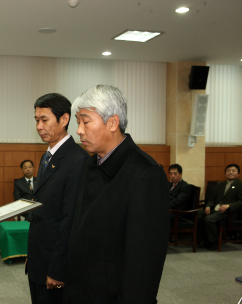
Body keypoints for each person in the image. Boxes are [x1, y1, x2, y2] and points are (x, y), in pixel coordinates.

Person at [63, 85, 170, 303]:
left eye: (86, 121)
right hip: (82, 288)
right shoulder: (91, 163)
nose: (79, 130)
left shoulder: (145, 173)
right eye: (78, 122)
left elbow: (145, 260)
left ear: (112, 122)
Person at [26, 93, 89, 304]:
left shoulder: (78, 160)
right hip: (39, 259)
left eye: (44, 120)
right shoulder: (47, 155)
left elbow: (70, 220)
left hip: (55, 267)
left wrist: (58, 268)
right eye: (36, 120)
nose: (39, 126)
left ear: (64, 120)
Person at [198, 164, 242, 250]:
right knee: (199, 215)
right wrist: (208, 206)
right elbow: (213, 198)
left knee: (209, 219)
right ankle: (203, 240)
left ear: (238, 174)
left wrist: (228, 206)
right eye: (228, 171)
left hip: (229, 212)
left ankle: (214, 241)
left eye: (233, 171)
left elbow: (240, 202)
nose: (230, 173)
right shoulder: (221, 185)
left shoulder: (240, 184)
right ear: (225, 173)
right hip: (216, 210)